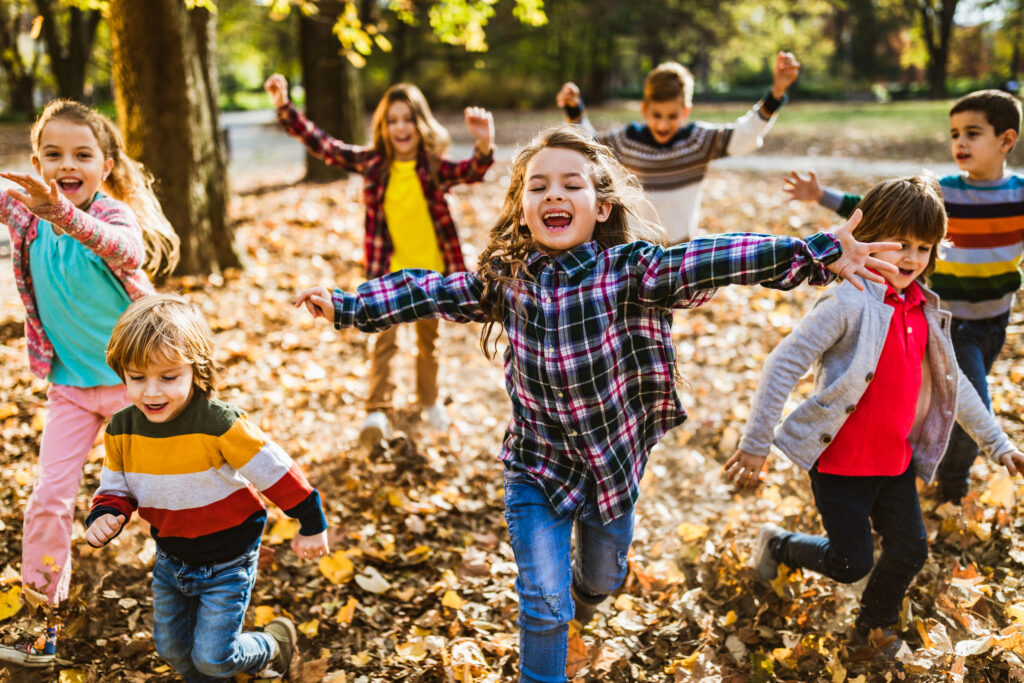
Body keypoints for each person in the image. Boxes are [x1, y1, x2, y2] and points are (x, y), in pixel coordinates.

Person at [294, 124, 900, 683]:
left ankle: (589, 592)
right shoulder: (507, 279)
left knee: (602, 578)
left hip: (610, 463)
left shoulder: (629, 269)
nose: (553, 194)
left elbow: (711, 256)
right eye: (538, 186)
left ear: (601, 206)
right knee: (542, 601)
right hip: (536, 463)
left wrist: (812, 252)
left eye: (570, 184)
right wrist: (349, 305)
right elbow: (427, 288)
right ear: (522, 209)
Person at [725, 176, 1024, 657]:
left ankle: (873, 626)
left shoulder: (924, 310)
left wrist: (999, 443)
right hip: (841, 466)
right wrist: (757, 442)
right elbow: (782, 364)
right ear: (868, 237)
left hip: (895, 464)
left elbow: (957, 389)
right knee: (850, 563)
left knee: (910, 550)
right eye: (900, 243)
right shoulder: (847, 302)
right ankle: (779, 545)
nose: (911, 257)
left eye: (924, 247)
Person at [0, 99, 179, 664]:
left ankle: (209, 589)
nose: (66, 164)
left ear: (106, 164)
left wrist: (63, 214)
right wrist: (43, 208)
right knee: (49, 500)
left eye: (82, 154)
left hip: (141, 388)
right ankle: (39, 622)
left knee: (170, 495)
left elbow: (124, 249)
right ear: (36, 161)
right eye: (52, 154)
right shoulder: (24, 213)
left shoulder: (113, 215)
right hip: (72, 388)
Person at [784, 90, 1024, 504]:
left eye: (972, 133)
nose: (960, 143)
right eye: (954, 134)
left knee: (944, 396)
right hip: (948, 322)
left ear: (1006, 141)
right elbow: (874, 210)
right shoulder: (942, 192)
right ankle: (950, 487)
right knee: (967, 399)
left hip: (994, 321)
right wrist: (821, 196)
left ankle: (908, 463)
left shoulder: (1019, 195)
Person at [86, 294, 329, 681]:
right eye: (137, 378)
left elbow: (276, 472)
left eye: (169, 378)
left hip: (228, 559)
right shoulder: (122, 429)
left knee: (215, 657)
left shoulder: (219, 424)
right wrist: (106, 513)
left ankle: (274, 644)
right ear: (122, 372)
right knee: (173, 650)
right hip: (171, 557)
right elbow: (116, 487)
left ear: (195, 370)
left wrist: (310, 522)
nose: (152, 392)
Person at [264, 74, 495, 445]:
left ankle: (429, 401)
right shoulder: (374, 164)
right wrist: (284, 107)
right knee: (383, 342)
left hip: (433, 281)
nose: (400, 127)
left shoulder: (433, 167)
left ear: (421, 124)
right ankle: (377, 410)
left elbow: (472, 171)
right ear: (383, 127)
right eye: (392, 120)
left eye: (408, 119)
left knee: (428, 344)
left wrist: (484, 144)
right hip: (387, 278)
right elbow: (326, 147)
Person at [556, 51, 801, 243]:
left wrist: (777, 92)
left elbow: (744, 134)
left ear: (685, 112)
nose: (663, 124)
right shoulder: (628, 141)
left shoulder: (697, 142)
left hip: (681, 248)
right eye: (657, 115)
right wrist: (574, 109)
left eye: (672, 116)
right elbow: (589, 145)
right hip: (636, 246)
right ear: (645, 110)